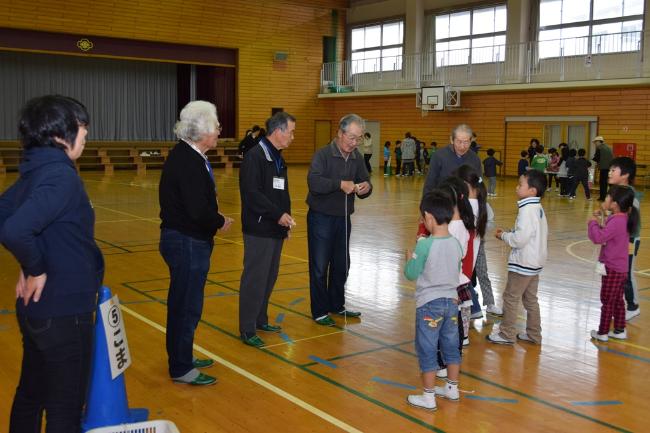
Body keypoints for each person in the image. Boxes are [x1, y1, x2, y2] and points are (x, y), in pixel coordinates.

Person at [0, 95, 103, 432]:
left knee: (32, 392)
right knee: (65, 407)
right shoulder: (60, 175)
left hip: (39, 309)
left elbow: (8, 218)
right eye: (81, 127)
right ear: (61, 135)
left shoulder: (35, 169)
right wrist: (35, 267)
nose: (86, 135)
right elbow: (15, 229)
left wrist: (29, 264)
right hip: (63, 310)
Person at [159, 100, 234, 385]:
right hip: (186, 241)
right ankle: (180, 367)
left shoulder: (189, 156)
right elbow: (196, 210)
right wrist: (219, 221)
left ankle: (183, 356)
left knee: (187, 303)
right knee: (186, 306)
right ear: (201, 131)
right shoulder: (187, 161)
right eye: (216, 126)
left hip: (188, 239)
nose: (219, 130)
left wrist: (212, 218)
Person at [307, 114, 372, 326]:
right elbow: (314, 182)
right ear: (340, 133)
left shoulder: (357, 157)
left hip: (344, 218)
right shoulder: (323, 155)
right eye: (351, 137)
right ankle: (319, 310)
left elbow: (365, 181)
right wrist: (338, 184)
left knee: (342, 265)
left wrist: (365, 188)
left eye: (358, 138)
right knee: (319, 266)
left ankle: (336, 305)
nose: (354, 143)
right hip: (321, 218)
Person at [238, 112, 296, 348]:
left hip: (276, 227)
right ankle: (247, 327)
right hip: (259, 228)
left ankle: (261, 319)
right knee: (255, 278)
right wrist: (277, 215)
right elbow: (252, 195)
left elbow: (282, 193)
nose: (293, 136)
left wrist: (287, 220)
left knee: (269, 277)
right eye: (291, 131)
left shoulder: (277, 157)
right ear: (278, 131)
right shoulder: (255, 157)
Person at [404, 191, 463, 411]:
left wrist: (409, 260)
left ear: (429, 217)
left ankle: (428, 397)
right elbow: (455, 271)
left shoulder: (424, 245)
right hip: (451, 302)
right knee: (450, 346)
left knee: (427, 349)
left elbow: (411, 273)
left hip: (429, 304)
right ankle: (452, 388)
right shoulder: (456, 244)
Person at [488, 169, 548, 345]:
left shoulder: (527, 210)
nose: (516, 187)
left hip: (523, 263)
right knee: (530, 300)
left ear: (532, 191)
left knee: (511, 297)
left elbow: (520, 240)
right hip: (534, 262)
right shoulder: (536, 208)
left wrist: (504, 236)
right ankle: (534, 334)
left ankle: (506, 334)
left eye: (520, 184)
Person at [588, 186, 639, 341]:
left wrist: (592, 223)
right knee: (617, 300)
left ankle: (603, 332)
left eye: (608, 197)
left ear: (615, 203)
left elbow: (599, 238)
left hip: (613, 268)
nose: (605, 199)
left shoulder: (618, 220)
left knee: (607, 300)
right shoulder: (622, 218)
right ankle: (619, 329)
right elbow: (610, 234)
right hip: (620, 268)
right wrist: (601, 218)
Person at [608, 157, 642, 320]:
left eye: (613, 170)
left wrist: (628, 242)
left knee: (626, 273)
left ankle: (633, 305)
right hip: (619, 240)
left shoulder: (630, 195)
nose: (609, 172)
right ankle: (620, 305)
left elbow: (632, 222)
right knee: (618, 274)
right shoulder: (616, 192)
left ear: (625, 175)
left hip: (629, 240)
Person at [423, 124, 482, 193]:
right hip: (443, 201)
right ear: (451, 140)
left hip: (466, 202)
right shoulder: (438, 156)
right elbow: (430, 183)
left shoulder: (475, 158)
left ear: (471, 141)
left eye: (466, 142)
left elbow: (479, 184)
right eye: (459, 141)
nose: (462, 146)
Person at [592, 136, 614, 201]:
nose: (595, 144)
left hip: (604, 168)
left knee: (603, 183)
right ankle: (613, 197)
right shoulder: (609, 148)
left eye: (595, 142)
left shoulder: (599, 148)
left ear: (599, 142)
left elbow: (596, 158)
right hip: (610, 168)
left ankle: (602, 197)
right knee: (610, 183)